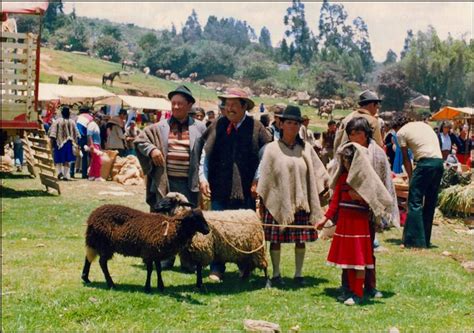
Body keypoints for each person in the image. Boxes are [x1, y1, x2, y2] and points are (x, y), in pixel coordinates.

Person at [198, 87, 271, 281]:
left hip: (247, 189)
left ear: (244, 106)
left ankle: (245, 267)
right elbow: (205, 154)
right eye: (226, 104)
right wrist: (203, 178)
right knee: (217, 229)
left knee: (244, 230)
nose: (229, 109)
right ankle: (216, 268)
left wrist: (258, 179)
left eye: (233, 105)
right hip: (219, 187)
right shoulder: (218, 125)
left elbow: (266, 157)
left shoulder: (256, 128)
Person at [328, 117, 399, 302]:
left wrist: (375, 203)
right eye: (351, 134)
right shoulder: (346, 151)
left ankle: (370, 285)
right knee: (348, 251)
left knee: (367, 250)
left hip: (367, 211)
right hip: (348, 213)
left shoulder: (377, 154)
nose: (354, 137)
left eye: (358, 133)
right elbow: (338, 176)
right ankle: (347, 287)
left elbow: (383, 182)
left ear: (366, 134)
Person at [135, 85, 206, 269]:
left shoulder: (200, 128)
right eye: (173, 103)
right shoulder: (160, 127)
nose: (175, 107)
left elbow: (209, 152)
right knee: (164, 220)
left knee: (188, 222)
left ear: (189, 105)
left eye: (180, 104)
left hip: (190, 184)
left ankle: (189, 260)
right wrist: (152, 150)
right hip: (166, 182)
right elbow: (140, 140)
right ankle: (164, 258)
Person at [257, 105, 328, 287]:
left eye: (296, 123)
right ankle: (276, 274)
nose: (292, 127)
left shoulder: (306, 149)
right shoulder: (271, 149)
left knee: (300, 239)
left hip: (301, 202)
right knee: (275, 240)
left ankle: (298, 274)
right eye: (288, 122)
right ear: (280, 124)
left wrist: (327, 184)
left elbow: (318, 171)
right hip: (279, 201)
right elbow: (265, 177)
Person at [316, 143, 393, 305]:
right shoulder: (342, 179)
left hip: (359, 224)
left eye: (349, 161)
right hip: (345, 224)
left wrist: (359, 197)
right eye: (343, 161)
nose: (346, 165)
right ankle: (350, 290)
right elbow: (335, 203)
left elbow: (374, 200)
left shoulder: (365, 180)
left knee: (358, 260)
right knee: (349, 259)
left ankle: (358, 292)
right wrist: (324, 220)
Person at [394, 115, 444, 248]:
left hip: (425, 163)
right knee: (430, 202)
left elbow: (405, 158)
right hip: (439, 163)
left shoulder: (401, 132)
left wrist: (411, 178)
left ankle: (415, 241)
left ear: (397, 127)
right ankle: (425, 239)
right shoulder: (424, 125)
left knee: (414, 201)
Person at [48, 106, 79, 180]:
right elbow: (77, 134)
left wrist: (52, 143)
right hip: (69, 144)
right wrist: (76, 143)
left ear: (62, 113)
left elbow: (52, 133)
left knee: (58, 159)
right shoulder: (72, 122)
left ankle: (59, 173)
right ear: (69, 113)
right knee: (67, 160)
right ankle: (65, 175)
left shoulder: (57, 121)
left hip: (59, 143)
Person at [75, 106, 93, 179]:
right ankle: (84, 174)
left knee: (75, 154)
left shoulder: (77, 117)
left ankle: (71, 173)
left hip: (76, 137)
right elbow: (91, 128)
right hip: (84, 137)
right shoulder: (90, 118)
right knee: (85, 156)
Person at [87, 113, 104, 181]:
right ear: (94, 117)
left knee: (94, 161)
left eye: (99, 118)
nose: (98, 119)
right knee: (98, 161)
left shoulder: (95, 125)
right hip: (94, 144)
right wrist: (91, 144)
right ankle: (97, 176)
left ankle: (91, 176)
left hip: (96, 144)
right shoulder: (92, 124)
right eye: (97, 117)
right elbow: (89, 135)